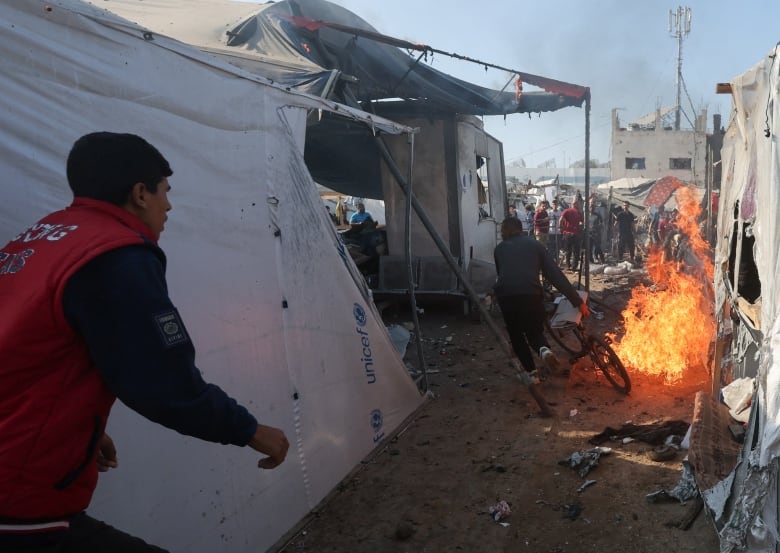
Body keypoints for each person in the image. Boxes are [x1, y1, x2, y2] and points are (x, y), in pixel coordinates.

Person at [0, 132, 289, 552]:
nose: (168, 206)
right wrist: (248, 429)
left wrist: (77, 426)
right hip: (19, 501)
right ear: (140, 193)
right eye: (164, 192)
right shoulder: (114, 256)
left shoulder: (36, 241)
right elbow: (162, 382)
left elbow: (30, 347)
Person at [493, 217, 590, 383]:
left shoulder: (499, 249)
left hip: (506, 296)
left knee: (516, 334)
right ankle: (544, 350)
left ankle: (532, 374)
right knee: (534, 331)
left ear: (504, 231)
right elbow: (555, 275)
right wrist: (578, 302)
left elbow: (502, 274)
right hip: (530, 293)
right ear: (521, 229)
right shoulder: (535, 245)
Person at [559, 200, 584, 271]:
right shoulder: (579, 212)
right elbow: (581, 223)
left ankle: (568, 265)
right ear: (576, 205)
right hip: (575, 234)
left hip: (568, 234)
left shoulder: (566, 211)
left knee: (568, 251)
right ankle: (574, 266)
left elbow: (560, 220)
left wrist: (561, 229)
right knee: (576, 251)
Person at [588, 199, 606, 264]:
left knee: (598, 247)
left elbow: (602, 224)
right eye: (590, 207)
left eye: (593, 207)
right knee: (589, 248)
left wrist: (597, 227)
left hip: (596, 234)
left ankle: (602, 260)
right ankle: (591, 260)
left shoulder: (597, 216)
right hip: (588, 234)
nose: (591, 208)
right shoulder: (586, 215)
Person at [547, 198, 563, 264]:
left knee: (557, 247)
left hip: (558, 232)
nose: (555, 206)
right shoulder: (549, 212)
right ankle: (551, 260)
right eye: (553, 204)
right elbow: (547, 222)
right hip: (551, 232)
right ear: (552, 205)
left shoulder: (560, 212)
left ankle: (557, 260)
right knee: (551, 247)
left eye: (556, 204)